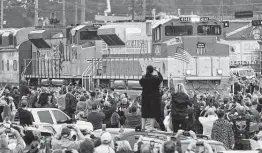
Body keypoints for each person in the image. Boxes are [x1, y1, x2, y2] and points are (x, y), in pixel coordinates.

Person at [139, 65, 163, 130]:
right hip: (153, 98)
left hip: (145, 97)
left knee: (144, 112)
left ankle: (143, 127)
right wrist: (157, 71)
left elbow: (141, 83)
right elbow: (161, 78)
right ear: (152, 71)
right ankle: (151, 127)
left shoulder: (143, 78)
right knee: (153, 112)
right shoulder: (155, 78)